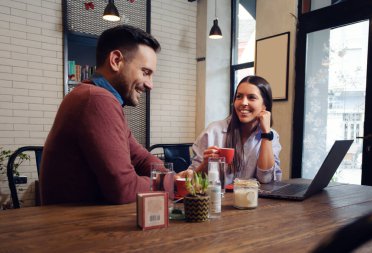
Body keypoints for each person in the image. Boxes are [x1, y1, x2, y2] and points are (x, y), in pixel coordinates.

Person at [40, 25, 172, 205]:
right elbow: (124, 188)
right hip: (76, 229)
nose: (150, 85)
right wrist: (167, 182)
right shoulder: (95, 100)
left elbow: (140, 158)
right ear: (116, 60)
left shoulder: (97, 97)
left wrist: (170, 176)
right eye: (145, 72)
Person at [188, 75, 282, 184]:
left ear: (264, 105)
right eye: (239, 97)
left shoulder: (271, 136)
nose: (243, 103)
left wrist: (266, 134)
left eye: (251, 97)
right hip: (217, 199)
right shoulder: (213, 132)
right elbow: (190, 180)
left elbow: (265, 179)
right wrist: (205, 164)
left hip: (253, 200)